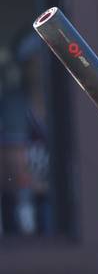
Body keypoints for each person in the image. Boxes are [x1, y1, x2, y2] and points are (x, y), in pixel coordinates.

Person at [0, 30, 51, 235]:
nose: (49, 61)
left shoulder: (70, 107)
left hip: (61, 208)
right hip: (22, 209)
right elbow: (17, 174)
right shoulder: (13, 107)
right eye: (40, 55)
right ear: (25, 63)